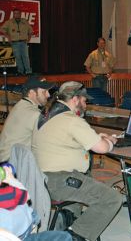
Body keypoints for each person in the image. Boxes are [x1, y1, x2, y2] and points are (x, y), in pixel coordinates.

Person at [31, 81, 122, 241]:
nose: (86, 105)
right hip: (59, 182)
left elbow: (66, 139)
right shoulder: (71, 120)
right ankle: (74, 236)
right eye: (84, 100)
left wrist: (97, 138)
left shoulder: (47, 116)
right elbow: (102, 148)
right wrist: (111, 141)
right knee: (112, 198)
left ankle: (67, 219)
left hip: (41, 180)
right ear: (75, 99)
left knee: (85, 178)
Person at [0, 165, 72, 241]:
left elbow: (25, 196)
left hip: (28, 227)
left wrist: (11, 179)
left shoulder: (4, 192)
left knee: (64, 237)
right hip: (19, 236)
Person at [0, 77, 54, 162]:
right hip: (13, 165)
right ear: (32, 92)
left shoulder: (21, 106)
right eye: (44, 92)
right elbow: (50, 138)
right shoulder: (32, 113)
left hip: (9, 160)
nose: (48, 95)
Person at [0, 8, 33, 74]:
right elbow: (2, 29)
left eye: (18, 13)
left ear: (20, 14)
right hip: (14, 43)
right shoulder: (9, 22)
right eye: (15, 13)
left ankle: (28, 71)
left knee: (26, 57)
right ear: (13, 14)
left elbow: (30, 31)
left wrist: (28, 39)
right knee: (18, 57)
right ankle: (20, 71)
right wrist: (8, 37)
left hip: (24, 42)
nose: (16, 14)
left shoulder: (25, 21)